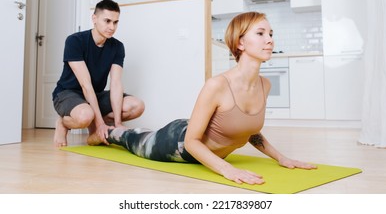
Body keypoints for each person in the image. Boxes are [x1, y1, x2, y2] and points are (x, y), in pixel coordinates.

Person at [88, 11, 316, 185]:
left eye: (271, 34)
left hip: (196, 138)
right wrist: (227, 169)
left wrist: (281, 158)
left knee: (138, 134)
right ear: (240, 43)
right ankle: (105, 133)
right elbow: (191, 142)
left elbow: (248, 130)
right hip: (176, 141)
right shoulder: (217, 85)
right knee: (132, 138)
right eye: (260, 33)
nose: (269, 40)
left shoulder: (264, 85)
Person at [52, 0, 145, 147]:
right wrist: (100, 124)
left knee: (136, 105)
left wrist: (118, 123)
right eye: (107, 21)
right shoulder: (74, 41)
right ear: (94, 19)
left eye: (115, 22)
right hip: (67, 93)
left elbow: (115, 83)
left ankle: (94, 124)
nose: (112, 27)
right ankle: (63, 123)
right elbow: (85, 84)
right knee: (85, 116)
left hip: (95, 94)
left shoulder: (117, 47)